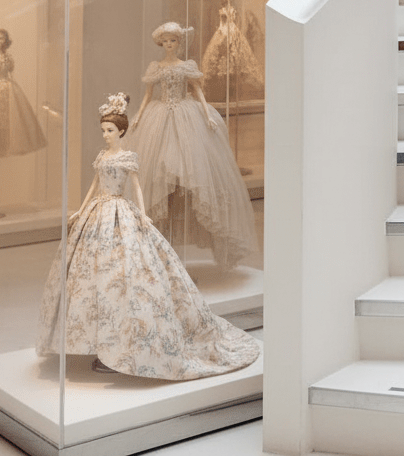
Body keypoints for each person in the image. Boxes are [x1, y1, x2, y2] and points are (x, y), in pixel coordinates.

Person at [36, 94, 260, 379]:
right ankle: (97, 337)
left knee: (128, 275)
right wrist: (80, 210)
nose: (105, 135)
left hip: (121, 210)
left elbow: (136, 187)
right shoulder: (102, 156)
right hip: (97, 213)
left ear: (122, 132)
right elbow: (94, 185)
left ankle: (126, 342)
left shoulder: (128, 157)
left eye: (110, 130)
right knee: (92, 276)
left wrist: (142, 214)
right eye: (103, 130)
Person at [127, 22, 259, 268]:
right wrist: (138, 115)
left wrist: (207, 114)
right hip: (159, 119)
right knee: (160, 174)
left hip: (187, 116)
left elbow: (198, 90)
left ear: (178, 42)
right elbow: (148, 94)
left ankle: (178, 249)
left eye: (173, 41)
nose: (169, 44)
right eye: (165, 41)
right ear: (160, 43)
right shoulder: (156, 67)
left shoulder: (186, 66)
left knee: (191, 174)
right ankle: (158, 249)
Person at [0, 28, 46, 159]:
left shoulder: (8, 56)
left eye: (1, 38)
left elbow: (10, 71)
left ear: (5, 41)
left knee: (11, 116)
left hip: (8, 86)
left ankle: (5, 144)